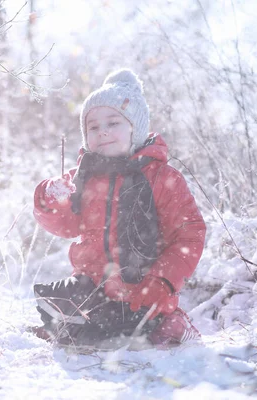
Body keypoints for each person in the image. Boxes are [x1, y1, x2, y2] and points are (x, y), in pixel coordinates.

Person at [31, 68, 206, 351]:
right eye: (94, 127)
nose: (103, 132)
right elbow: (66, 226)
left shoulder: (161, 177)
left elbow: (189, 234)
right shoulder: (84, 177)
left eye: (113, 123)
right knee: (64, 304)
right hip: (92, 287)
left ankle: (170, 322)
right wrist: (50, 199)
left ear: (135, 129)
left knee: (131, 330)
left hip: (142, 289)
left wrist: (162, 280)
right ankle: (77, 325)